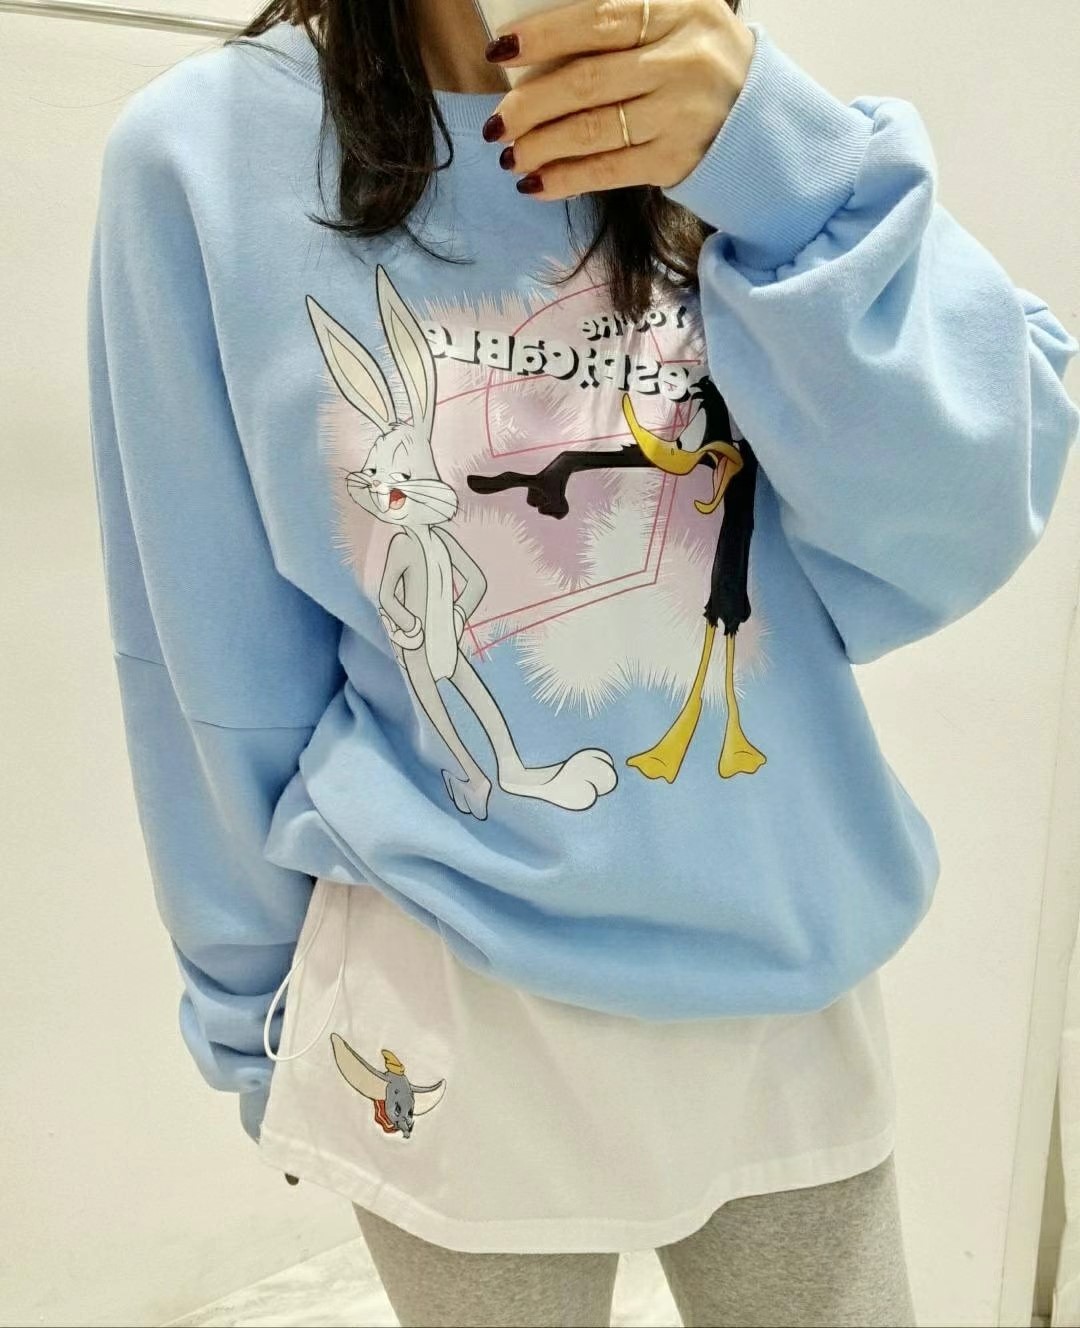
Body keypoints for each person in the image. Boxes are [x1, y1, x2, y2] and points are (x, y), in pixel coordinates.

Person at [86, 0, 1079, 1324]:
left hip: (776, 959)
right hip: (445, 979)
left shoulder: (742, 136)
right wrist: (252, 1013)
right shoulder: (202, 159)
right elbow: (207, 658)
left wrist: (780, 166)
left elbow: (969, 510)